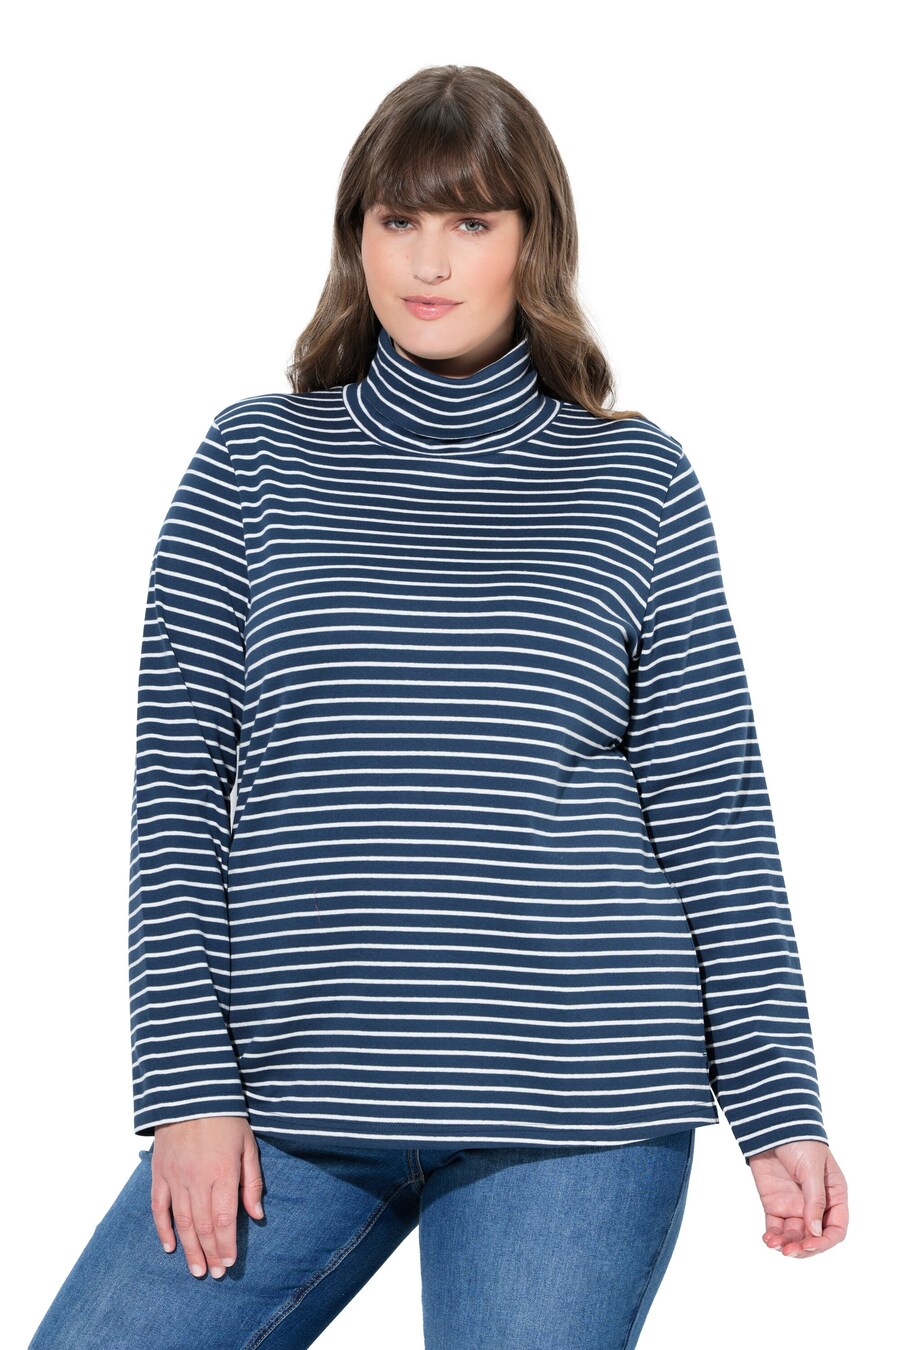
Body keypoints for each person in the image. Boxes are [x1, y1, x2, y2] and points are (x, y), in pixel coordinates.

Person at [28, 63, 848, 1350]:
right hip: (295, 1093)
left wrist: (778, 1104)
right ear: (354, 236)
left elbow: (713, 812)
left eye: (471, 220)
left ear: (533, 239)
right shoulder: (252, 462)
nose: (427, 259)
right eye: (397, 217)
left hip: (579, 1099)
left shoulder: (634, 479)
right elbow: (177, 796)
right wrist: (185, 1090)